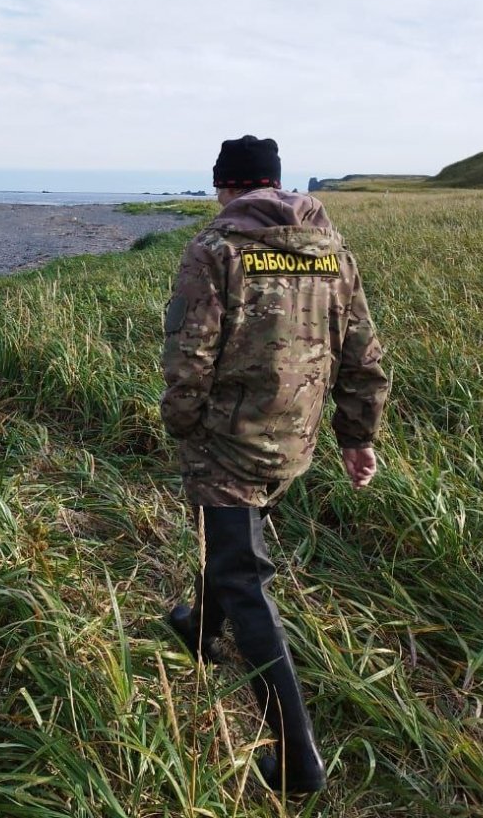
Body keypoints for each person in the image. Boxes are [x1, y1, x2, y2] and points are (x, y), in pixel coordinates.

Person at [159, 135, 388, 795]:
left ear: (230, 187)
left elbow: (189, 355)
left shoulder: (216, 249)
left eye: (218, 188)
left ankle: (297, 760)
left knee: (244, 576)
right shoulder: (331, 250)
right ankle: (197, 627)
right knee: (232, 551)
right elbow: (362, 353)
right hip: (297, 441)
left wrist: (181, 420)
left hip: (226, 443)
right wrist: (358, 435)